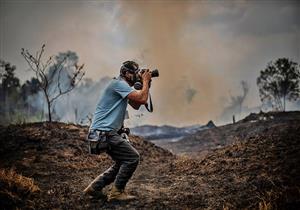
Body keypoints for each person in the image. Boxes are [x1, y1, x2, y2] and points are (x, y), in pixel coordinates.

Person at [83, 60, 152, 202]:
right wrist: (145, 81)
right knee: (133, 158)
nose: (137, 76)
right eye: (135, 73)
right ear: (126, 73)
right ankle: (116, 193)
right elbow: (142, 97)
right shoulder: (118, 84)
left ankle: (94, 187)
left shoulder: (122, 86)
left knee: (121, 161)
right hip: (104, 133)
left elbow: (137, 104)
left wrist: (146, 85)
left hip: (102, 133)